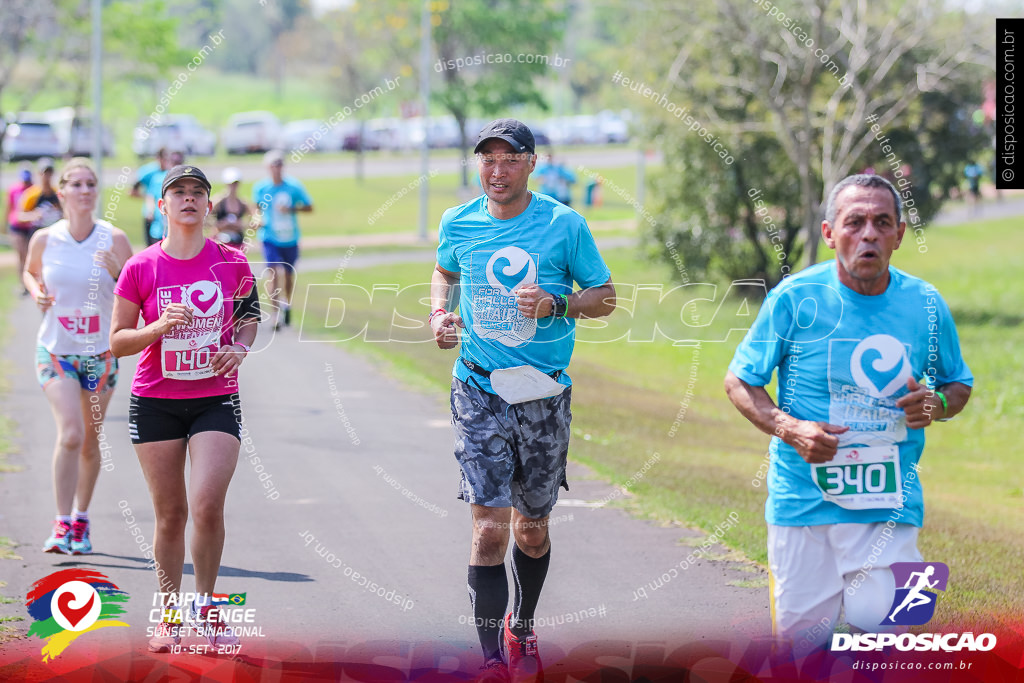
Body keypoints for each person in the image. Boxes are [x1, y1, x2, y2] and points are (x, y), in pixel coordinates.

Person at [724, 174, 973, 654]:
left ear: (899, 234)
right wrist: (790, 428)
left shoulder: (924, 304)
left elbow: (957, 383)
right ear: (829, 233)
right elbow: (740, 379)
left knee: (885, 643)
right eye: (854, 222)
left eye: (882, 223)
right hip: (802, 503)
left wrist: (937, 403)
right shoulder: (795, 299)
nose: (869, 234)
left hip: (888, 503)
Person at [430, 119, 616, 681]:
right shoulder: (458, 221)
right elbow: (443, 272)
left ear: (531, 163)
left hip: (542, 394)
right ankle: (489, 661)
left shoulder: (564, 223)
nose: (496, 169)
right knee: (488, 525)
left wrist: (556, 305)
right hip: (478, 385)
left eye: (509, 159)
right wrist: (441, 312)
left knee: (531, 527)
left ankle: (523, 625)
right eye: (487, 158)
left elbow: (605, 298)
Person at [110, 165, 260, 652]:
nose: (189, 200)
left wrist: (238, 348)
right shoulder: (141, 267)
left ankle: (208, 610)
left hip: (215, 397)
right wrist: (157, 329)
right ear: (162, 207)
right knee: (171, 514)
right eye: (178, 193)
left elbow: (249, 318)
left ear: (209, 204)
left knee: (207, 504)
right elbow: (117, 342)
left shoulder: (231, 261)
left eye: (198, 192)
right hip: (155, 401)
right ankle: (169, 613)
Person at [22, 158, 133, 555]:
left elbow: (137, 294)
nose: (85, 191)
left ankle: (81, 520)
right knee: (70, 433)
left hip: (101, 354)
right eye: (77, 184)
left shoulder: (115, 239)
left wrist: (120, 271)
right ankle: (60, 521)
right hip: (56, 351)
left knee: (90, 440)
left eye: (91, 184)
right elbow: (30, 272)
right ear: (63, 191)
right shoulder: (45, 239)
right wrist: (36, 291)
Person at [252, 150, 312, 329]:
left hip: (290, 237)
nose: (277, 168)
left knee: (288, 275)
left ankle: (287, 304)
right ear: (268, 167)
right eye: (273, 164)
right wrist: (257, 219)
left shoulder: (294, 187)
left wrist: (291, 209)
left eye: (279, 164)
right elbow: (256, 209)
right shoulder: (261, 188)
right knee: (273, 274)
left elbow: (309, 207)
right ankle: (275, 314)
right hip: (269, 237)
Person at [134, 149, 185, 246]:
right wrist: (150, 210)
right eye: (173, 162)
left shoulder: (186, 179)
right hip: (160, 225)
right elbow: (151, 195)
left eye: (178, 162)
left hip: (180, 226)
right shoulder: (159, 177)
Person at [131, 148, 169, 246]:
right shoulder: (148, 171)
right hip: (151, 212)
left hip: (164, 212)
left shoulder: (169, 171)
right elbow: (132, 191)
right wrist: (149, 198)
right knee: (151, 244)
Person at [6, 166, 34, 291]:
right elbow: (9, 206)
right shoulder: (14, 189)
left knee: (30, 255)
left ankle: (31, 282)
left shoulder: (34, 190)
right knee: (21, 255)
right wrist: (4, 224)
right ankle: (22, 284)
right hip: (17, 225)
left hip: (31, 226)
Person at [18, 158, 63, 234]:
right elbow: (20, 216)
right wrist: (34, 215)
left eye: (50, 173)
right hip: (37, 231)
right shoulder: (32, 194)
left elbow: (64, 211)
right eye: (45, 173)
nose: (47, 176)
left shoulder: (57, 192)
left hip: (55, 232)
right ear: (39, 173)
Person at [210, 167, 250, 248]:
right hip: (220, 242)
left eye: (236, 183)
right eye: (231, 184)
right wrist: (220, 225)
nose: (233, 186)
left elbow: (256, 219)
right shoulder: (218, 202)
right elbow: (205, 218)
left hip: (237, 242)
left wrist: (241, 224)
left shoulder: (242, 203)